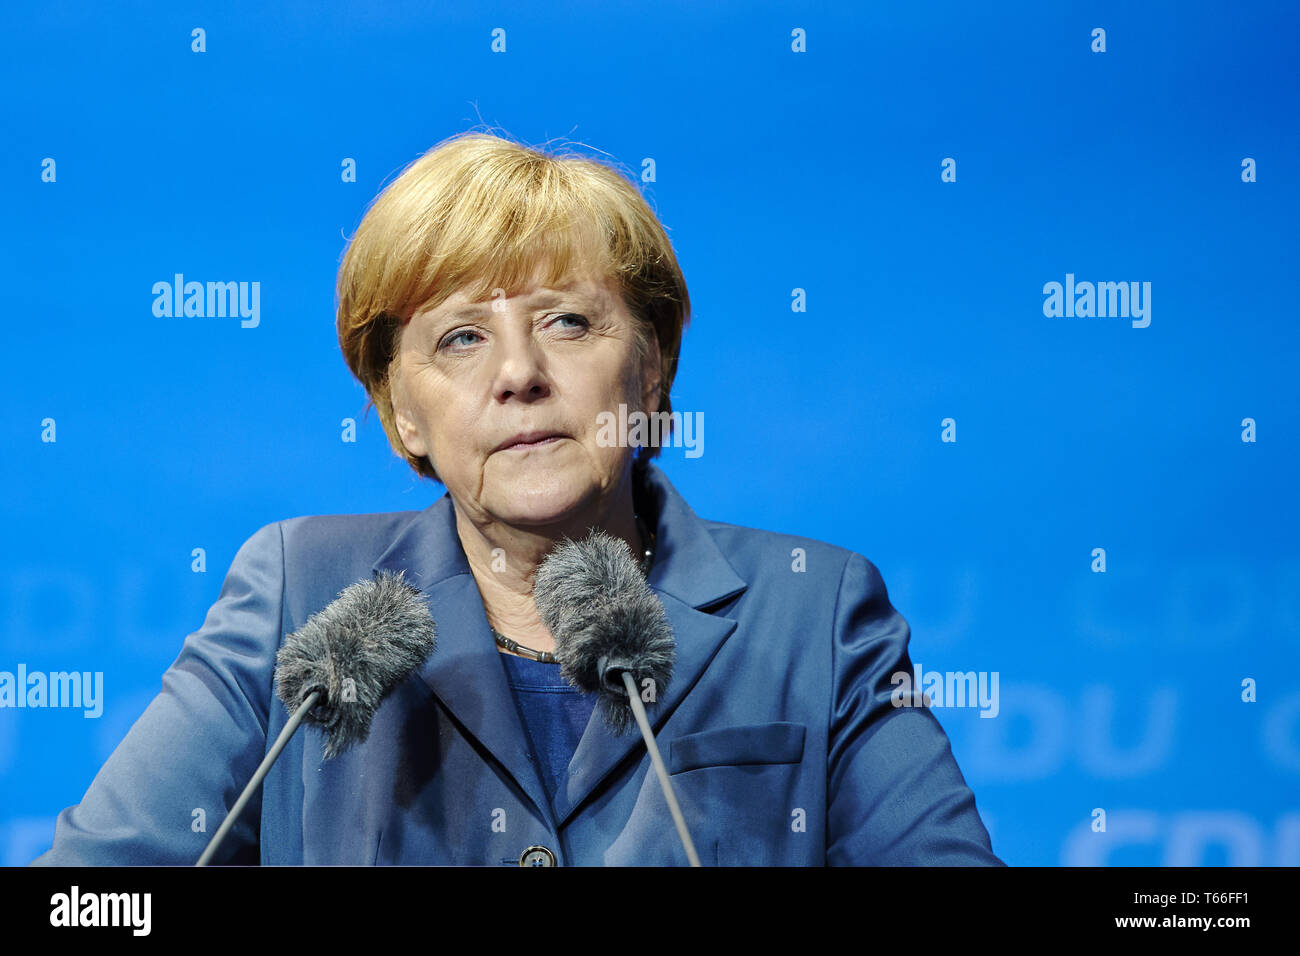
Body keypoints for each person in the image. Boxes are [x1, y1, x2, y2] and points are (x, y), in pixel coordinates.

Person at [31, 131, 1002, 866]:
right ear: (401, 413)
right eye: (460, 338)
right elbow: (91, 894)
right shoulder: (302, 589)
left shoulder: (812, 610)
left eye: (569, 321)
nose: (519, 374)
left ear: (651, 372)